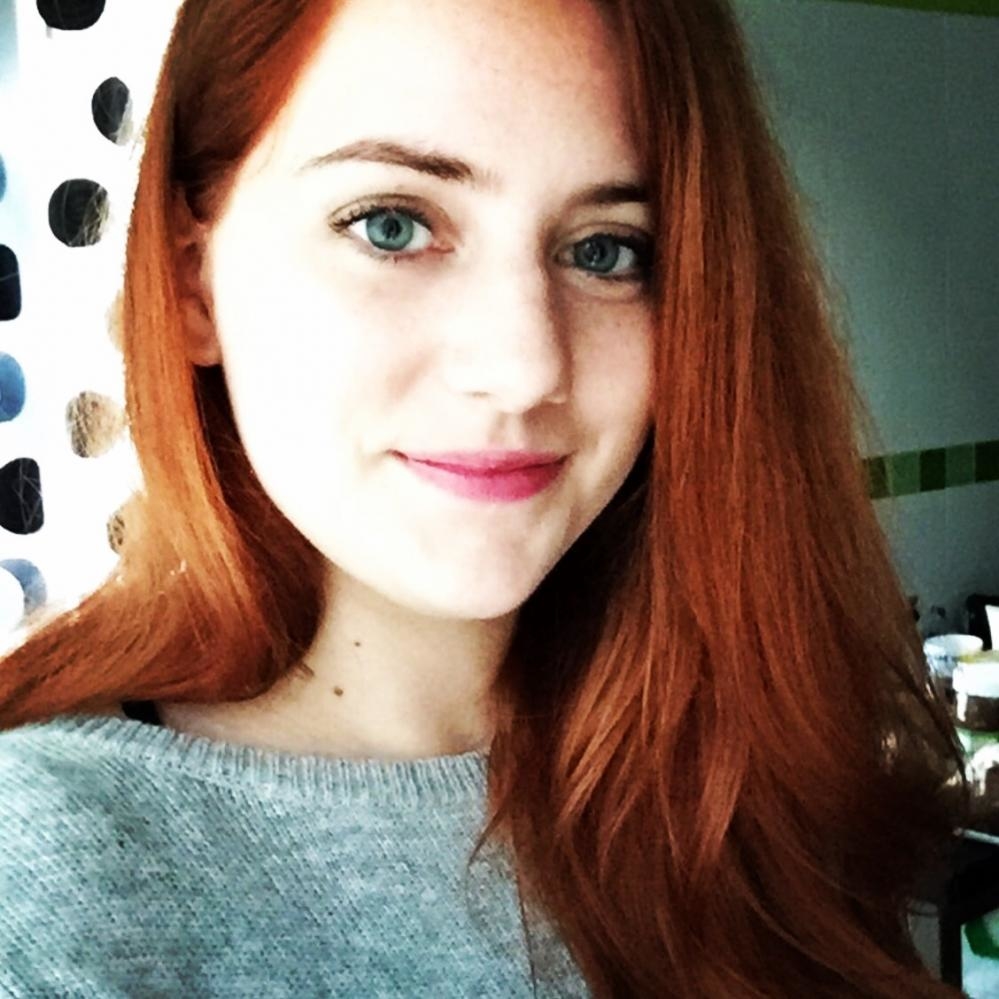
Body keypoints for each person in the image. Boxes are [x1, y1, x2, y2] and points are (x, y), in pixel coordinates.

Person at [0, 0, 968, 995]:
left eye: (605, 249)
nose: (524, 365)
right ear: (191, 280)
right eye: (392, 226)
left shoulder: (750, 771)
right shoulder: (44, 883)